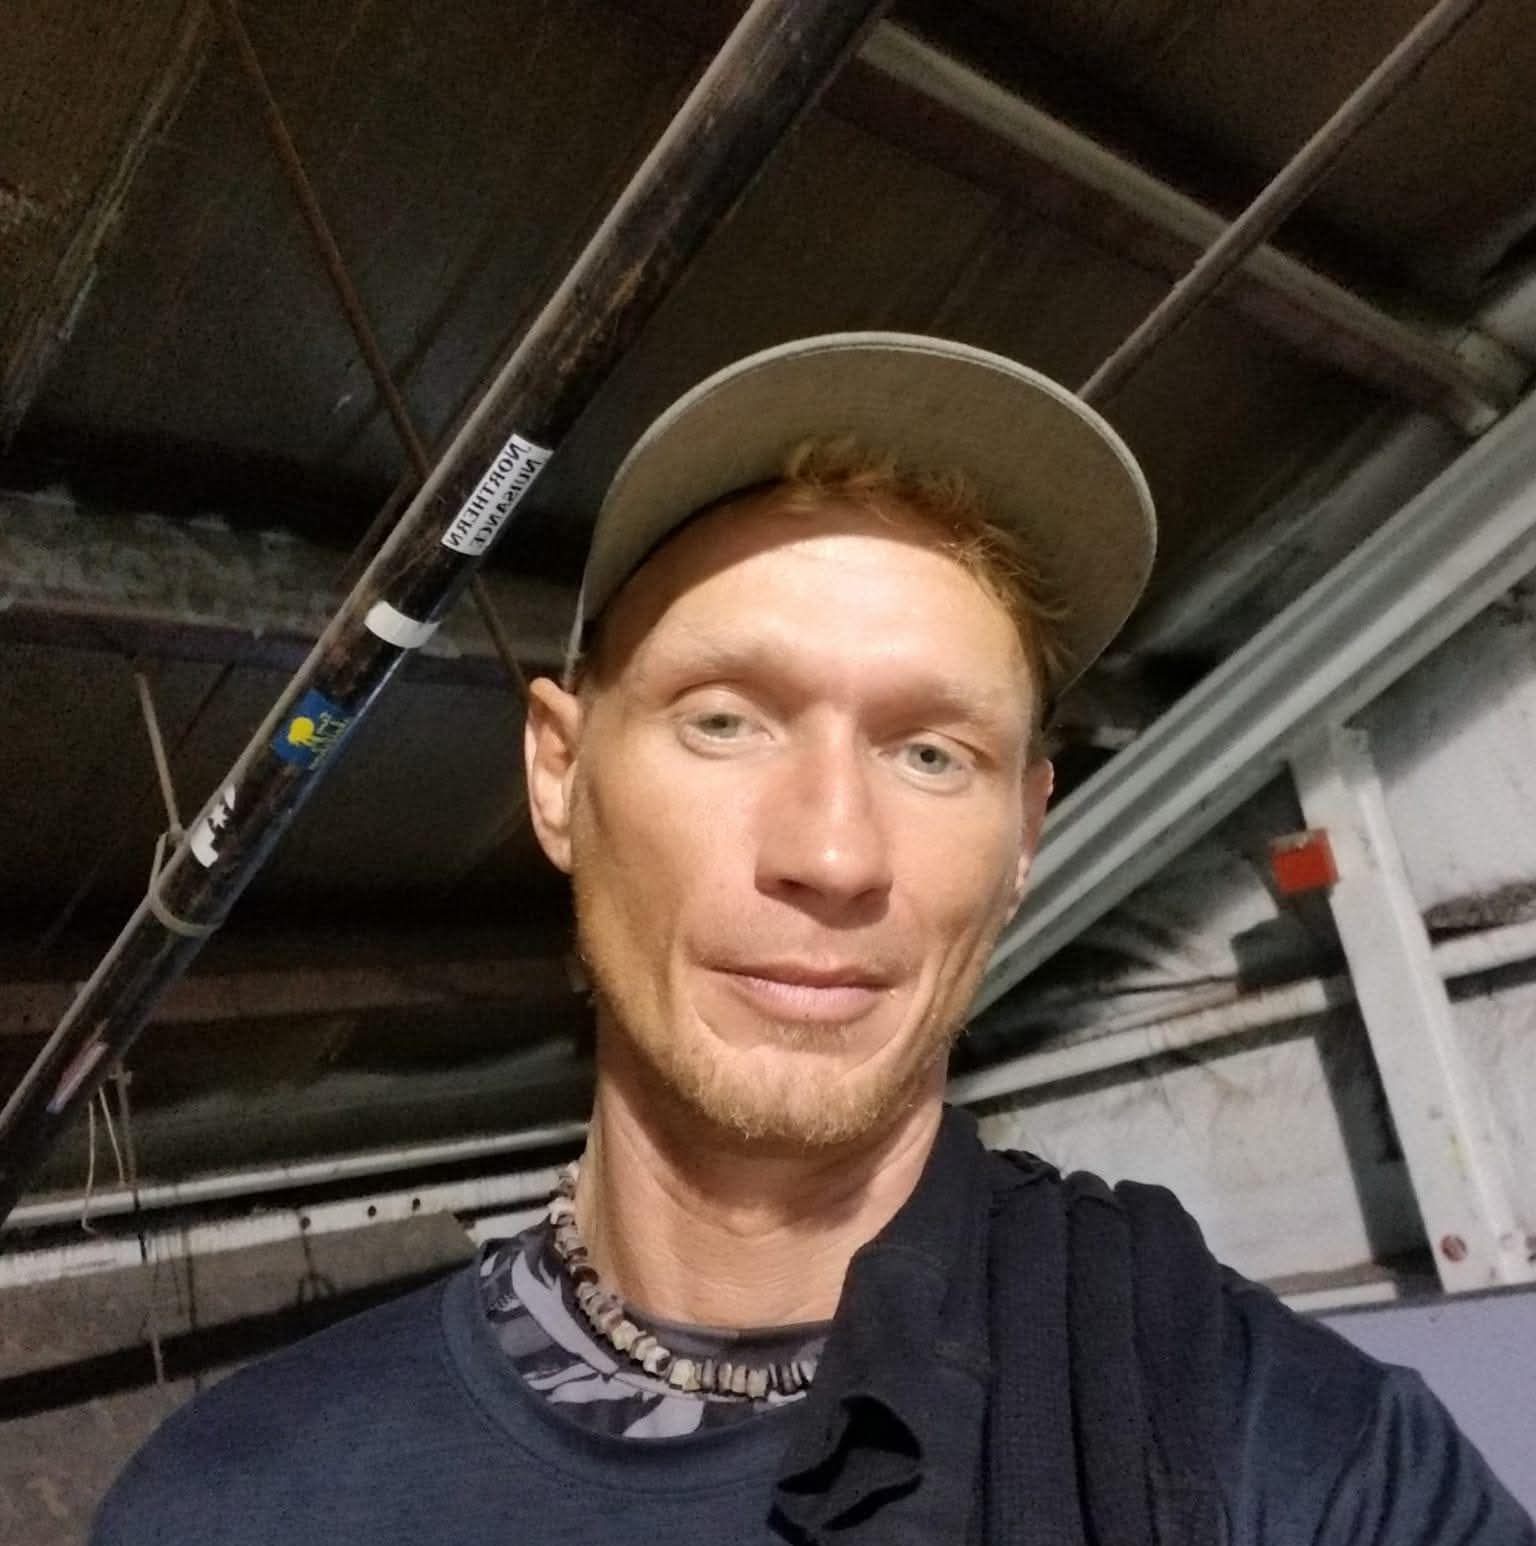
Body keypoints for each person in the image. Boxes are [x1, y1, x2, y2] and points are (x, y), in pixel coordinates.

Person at [93, 334, 1534, 1544]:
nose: (834, 854)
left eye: (932, 753)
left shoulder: (1288, 1457)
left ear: (1025, 835)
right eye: (726, 719)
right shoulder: (237, 1502)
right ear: (559, 774)